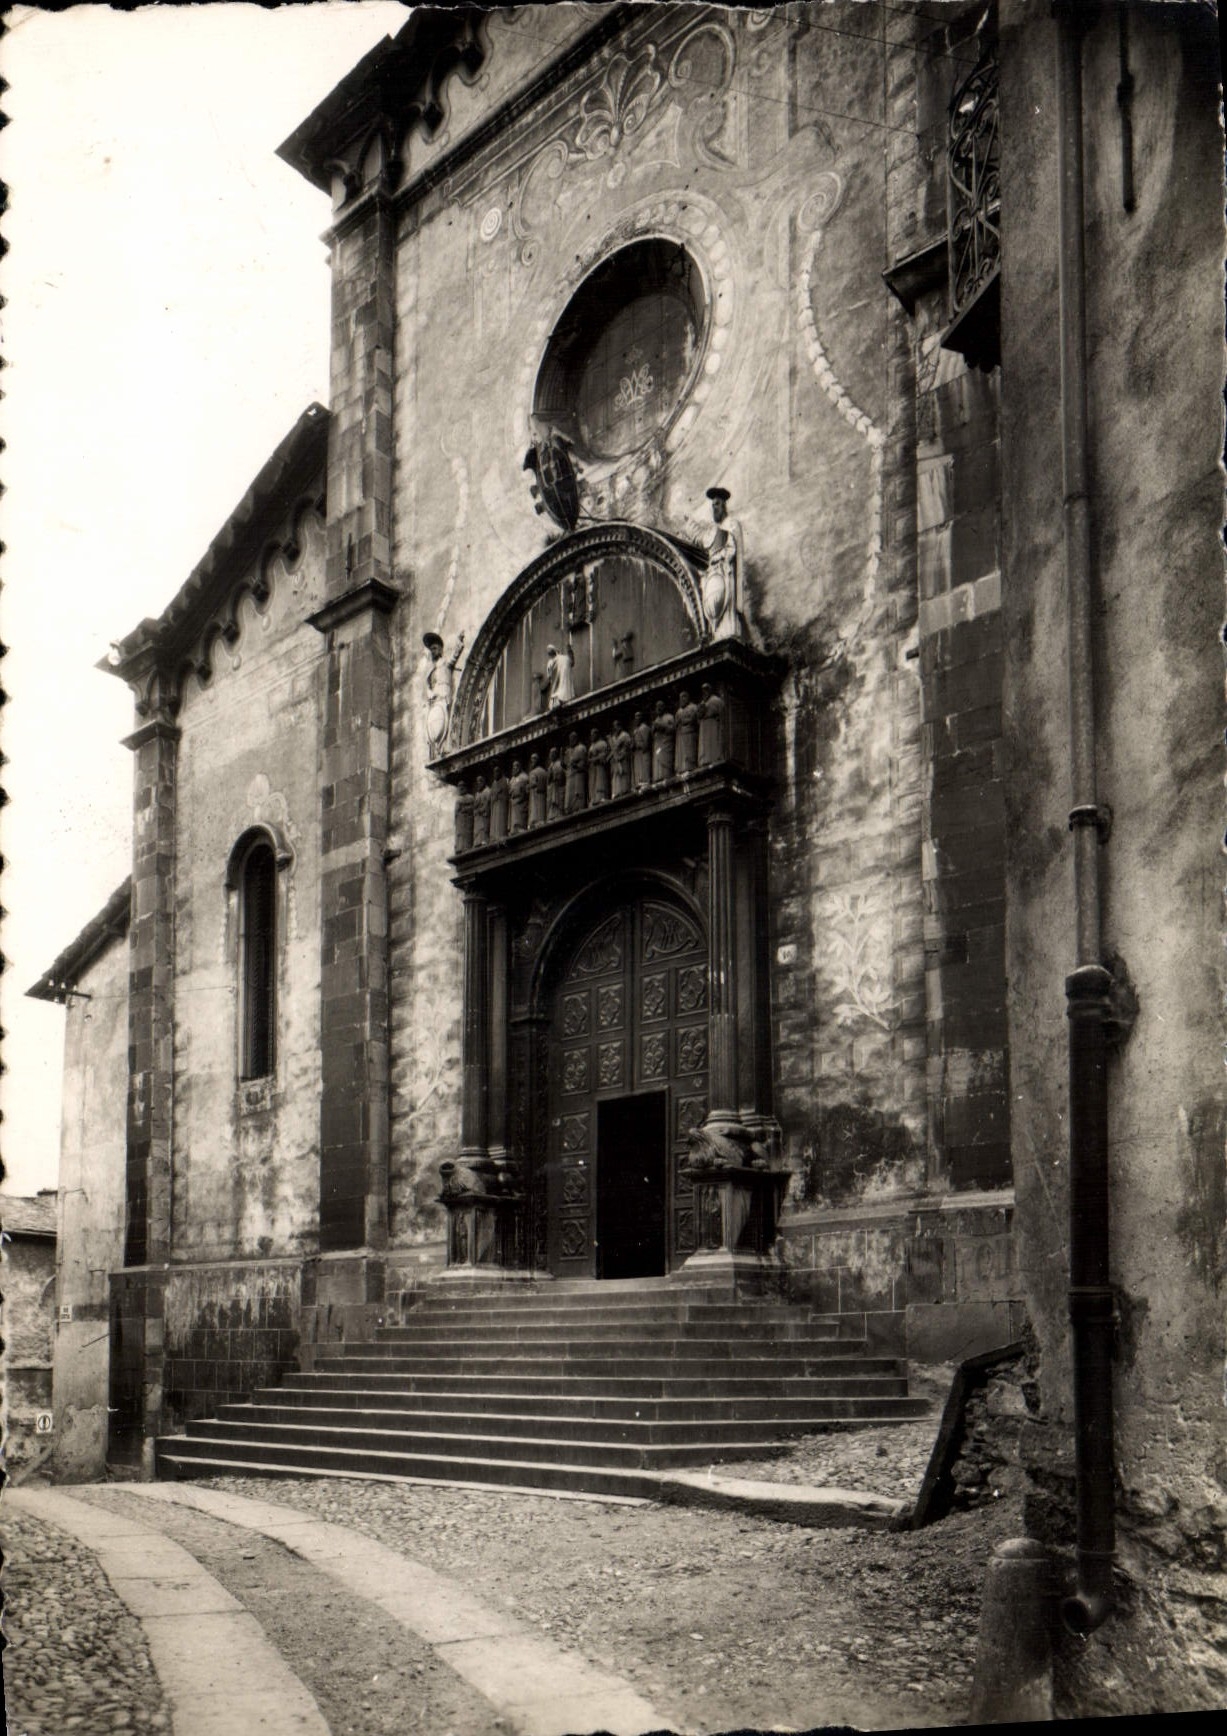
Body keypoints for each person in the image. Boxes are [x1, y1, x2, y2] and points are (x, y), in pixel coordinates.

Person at [702, 488, 744, 641]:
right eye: (713, 505)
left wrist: (720, 557)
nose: (715, 508)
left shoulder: (732, 524)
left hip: (727, 573)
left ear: (724, 505)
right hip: (717, 573)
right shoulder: (714, 530)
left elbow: (732, 550)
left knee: (728, 607)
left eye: (717, 504)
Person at [424, 629, 465, 754]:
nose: (433, 651)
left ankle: (444, 746)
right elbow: (429, 686)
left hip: (444, 697)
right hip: (434, 700)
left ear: (441, 650)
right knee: (434, 723)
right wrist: (430, 694)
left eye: (435, 648)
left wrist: (459, 642)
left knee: (445, 719)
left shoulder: (445, 663)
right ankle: (436, 749)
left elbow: (454, 656)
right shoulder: (430, 670)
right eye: (431, 649)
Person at [545, 641, 575, 708]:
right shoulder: (564, 659)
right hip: (564, 692)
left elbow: (549, 678)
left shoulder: (551, 662)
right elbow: (572, 662)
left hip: (558, 693)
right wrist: (569, 650)